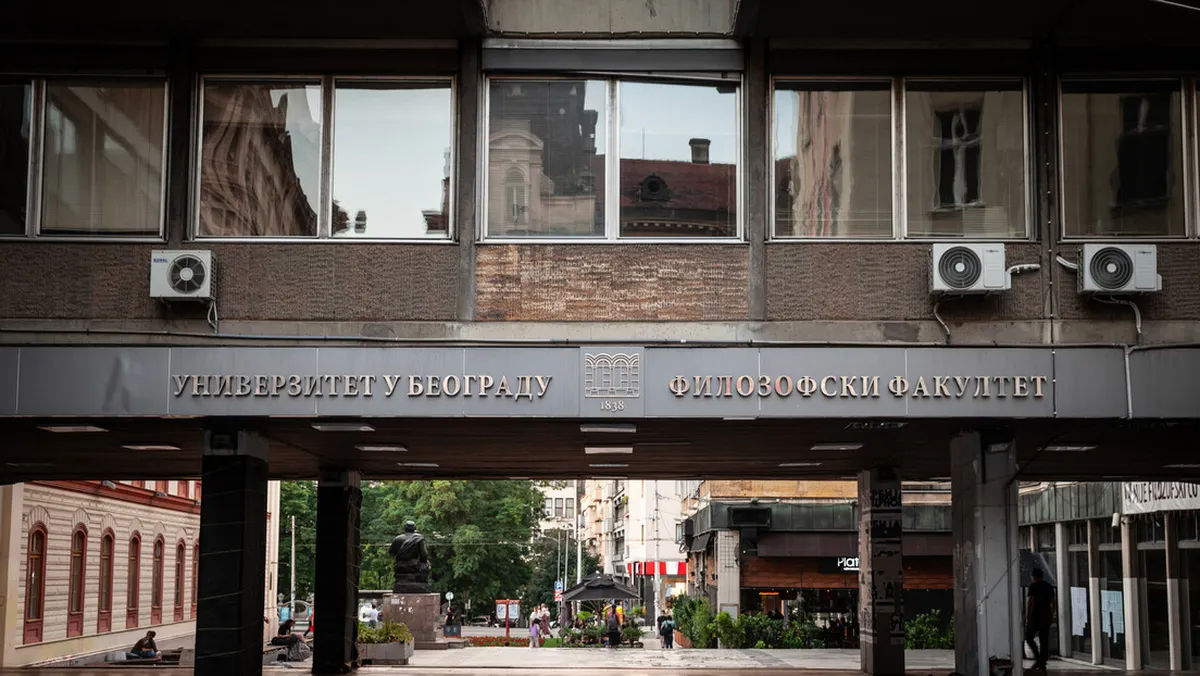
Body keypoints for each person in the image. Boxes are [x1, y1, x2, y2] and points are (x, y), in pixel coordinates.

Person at [1025, 568, 1057, 671]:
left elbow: (1030, 602)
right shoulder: (1049, 586)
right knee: (1044, 640)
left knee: (1029, 637)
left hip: (1035, 617)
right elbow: (1053, 602)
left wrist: (1028, 618)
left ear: (1033, 577)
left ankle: (1038, 658)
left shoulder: (1033, 586)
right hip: (1046, 617)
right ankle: (1042, 662)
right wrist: (1052, 615)